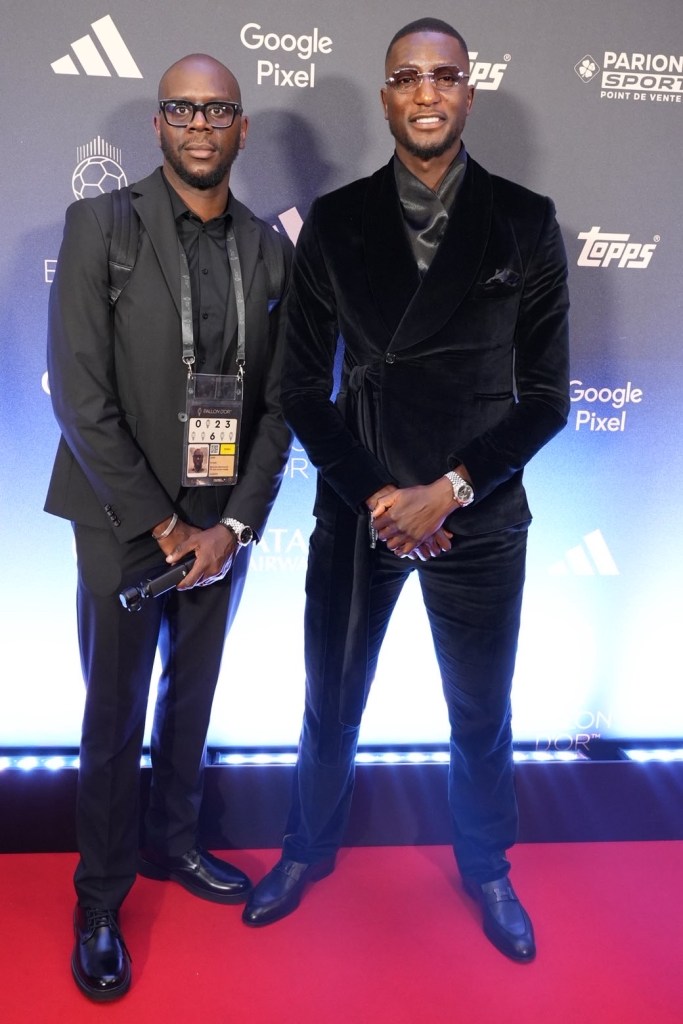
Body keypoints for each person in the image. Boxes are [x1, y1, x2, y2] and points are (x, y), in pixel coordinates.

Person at [243, 18, 569, 963]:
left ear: (468, 90)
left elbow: (546, 398)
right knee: (330, 696)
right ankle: (306, 849)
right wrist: (384, 497)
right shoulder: (336, 220)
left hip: (478, 509)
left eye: (444, 76)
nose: (426, 94)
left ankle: (487, 866)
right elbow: (299, 388)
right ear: (386, 96)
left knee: (481, 709)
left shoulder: (524, 219)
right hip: (364, 506)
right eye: (407, 78)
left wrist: (450, 489)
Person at [45, 54, 293, 1000]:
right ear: (157, 125)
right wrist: (161, 523)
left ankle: (174, 842)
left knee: (192, 694)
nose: (199, 124)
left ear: (240, 128)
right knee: (113, 715)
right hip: (121, 519)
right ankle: (100, 901)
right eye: (181, 109)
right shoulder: (100, 225)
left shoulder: (268, 250)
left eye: (217, 109)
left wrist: (231, 524)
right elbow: (80, 395)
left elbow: (281, 404)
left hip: (217, 523)